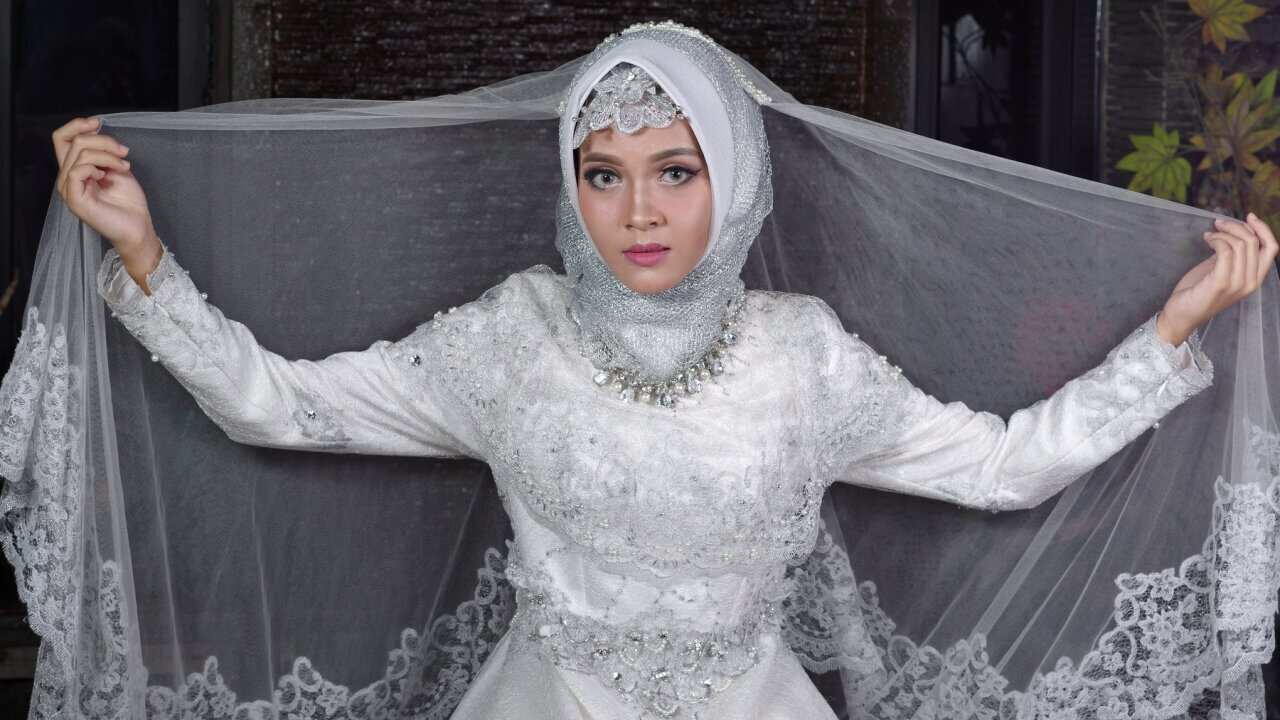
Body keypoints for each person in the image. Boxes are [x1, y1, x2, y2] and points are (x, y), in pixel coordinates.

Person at [11, 20, 1279, 720]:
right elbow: (275, 407)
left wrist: (1165, 334)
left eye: (675, 170)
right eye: (603, 174)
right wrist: (145, 260)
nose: (639, 212)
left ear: (730, 179)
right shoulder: (512, 337)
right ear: (571, 186)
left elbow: (1003, 472)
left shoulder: (802, 358)